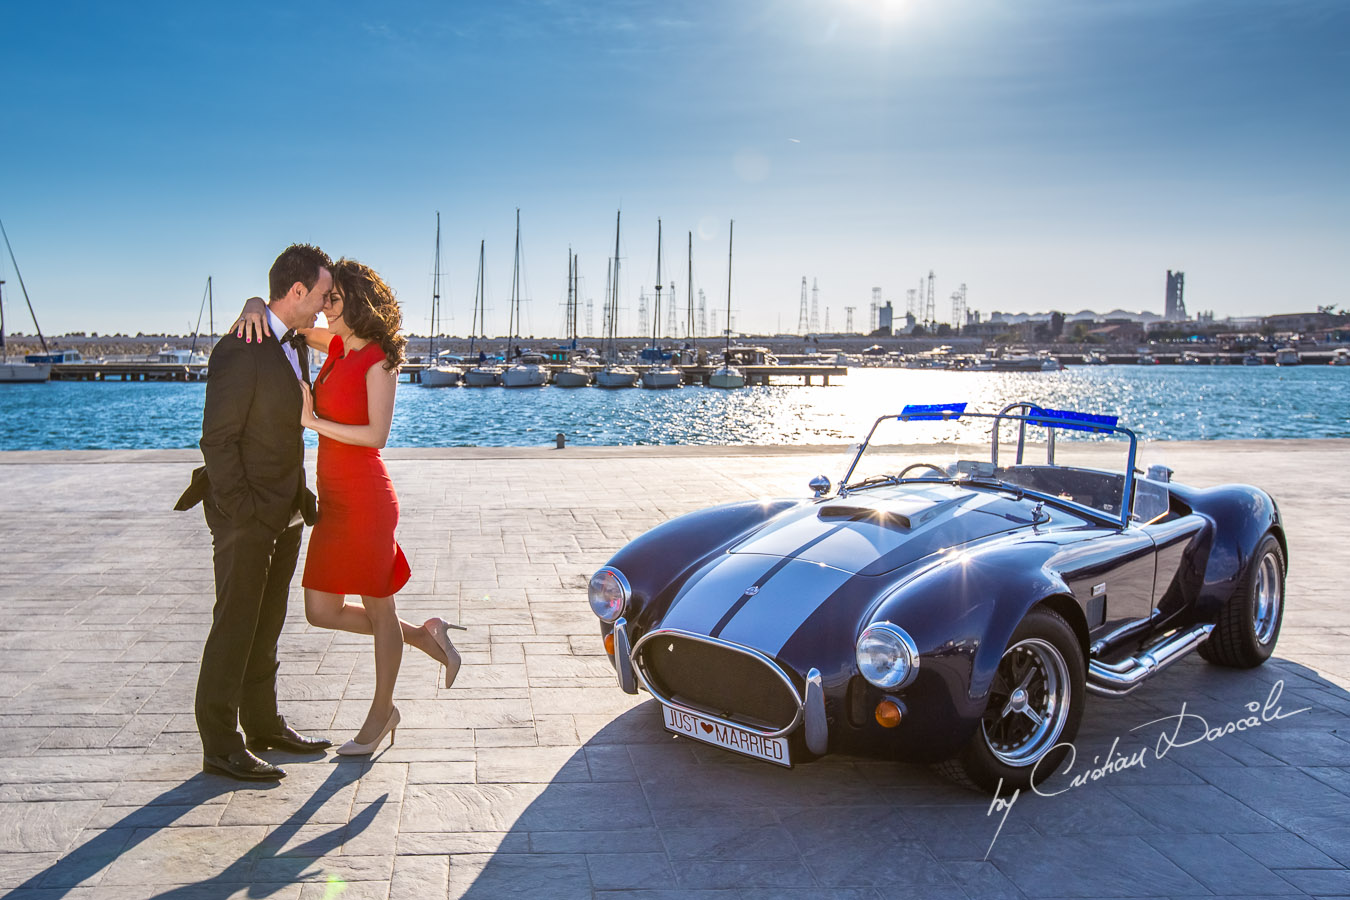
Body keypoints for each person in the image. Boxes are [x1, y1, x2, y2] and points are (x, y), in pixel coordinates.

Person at [235, 259, 462, 757]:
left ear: (354, 302)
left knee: (381, 610)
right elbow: (290, 324)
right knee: (320, 609)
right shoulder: (337, 346)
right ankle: (425, 638)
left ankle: (382, 714)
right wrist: (255, 303)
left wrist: (311, 421)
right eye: (325, 297)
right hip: (334, 499)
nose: (324, 305)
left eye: (333, 298)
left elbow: (376, 436)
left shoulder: (378, 359)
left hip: (365, 497)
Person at [176, 243, 335, 781]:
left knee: (266, 625)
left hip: (286, 511)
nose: (321, 305)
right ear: (295, 291)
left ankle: (263, 725)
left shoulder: (296, 344)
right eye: (318, 294)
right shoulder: (238, 349)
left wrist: (292, 501)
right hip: (246, 517)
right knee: (235, 624)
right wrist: (243, 512)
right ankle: (220, 743)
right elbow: (217, 440)